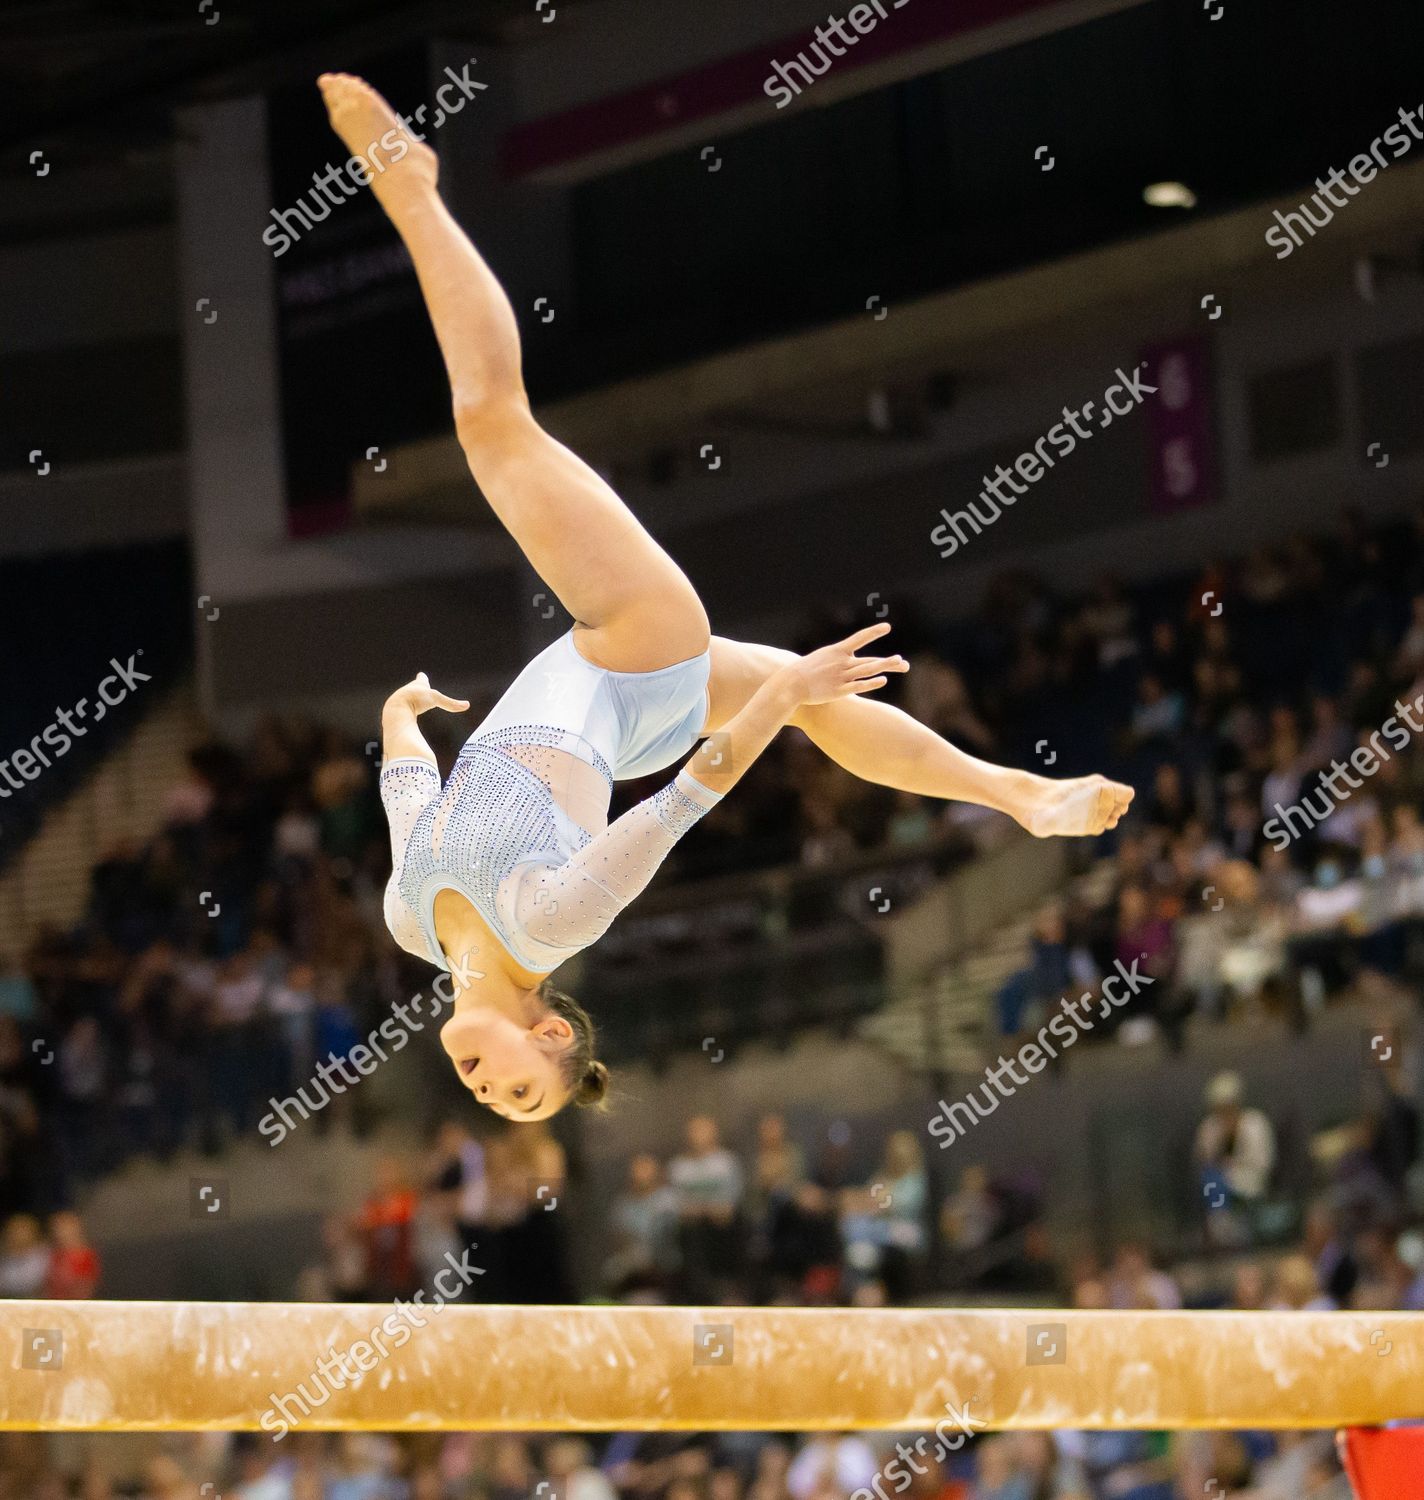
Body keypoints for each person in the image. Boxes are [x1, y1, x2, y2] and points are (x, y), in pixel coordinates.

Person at [319, 73, 1134, 1123]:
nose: (482, 1084)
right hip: (635, 649)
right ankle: (414, 190)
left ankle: (1018, 793)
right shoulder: (552, 923)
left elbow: (408, 802)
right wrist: (781, 687)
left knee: (824, 714)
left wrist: (396, 725)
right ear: (552, 1028)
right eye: (518, 1083)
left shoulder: (405, 923)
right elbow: (689, 798)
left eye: (487, 1094)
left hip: (622, 703)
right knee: (491, 424)